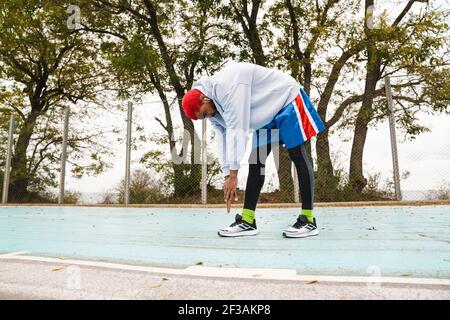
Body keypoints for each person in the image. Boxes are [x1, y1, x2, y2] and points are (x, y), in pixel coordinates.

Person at [182, 62, 325, 238]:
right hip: (267, 114)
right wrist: (227, 173)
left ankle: (308, 220)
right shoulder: (212, 107)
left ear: (205, 98)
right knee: (256, 161)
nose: (208, 116)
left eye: (205, 113)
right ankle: (248, 221)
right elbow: (222, 136)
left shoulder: (227, 88)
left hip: (286, 98)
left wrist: (234, 174)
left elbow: (238, 129)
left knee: (297, 154)